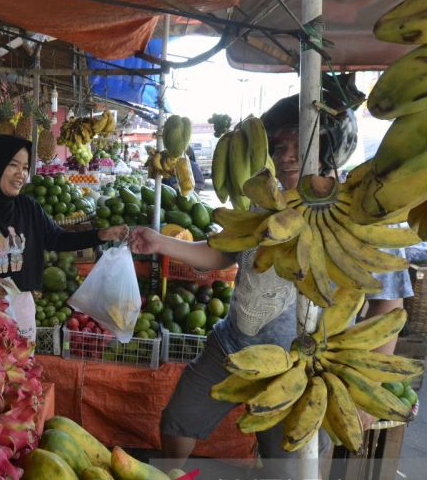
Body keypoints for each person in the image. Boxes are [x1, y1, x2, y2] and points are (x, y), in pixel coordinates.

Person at [129, 94, 360, 478]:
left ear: (330, 149)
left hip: (300, 365)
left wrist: (357, 384)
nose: (287, 156)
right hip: (232, 343)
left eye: (298, 145)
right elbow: (223, 253)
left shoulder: (350, 216)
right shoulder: (262, 200)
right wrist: (161, 242)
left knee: (285, 462)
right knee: (178, 418)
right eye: (279, 145)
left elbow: (387, 301)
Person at [0, 134, 128, 296]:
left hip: (21, 311)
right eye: (13, 165)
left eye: (25, 167)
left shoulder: (28, 207)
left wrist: (100, 235)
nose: (21, 174)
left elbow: (56, 238)